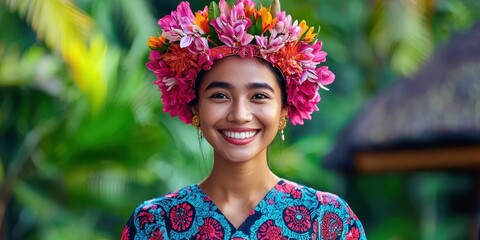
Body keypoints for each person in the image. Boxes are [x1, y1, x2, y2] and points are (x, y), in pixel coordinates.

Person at [121, 0, 366, 239]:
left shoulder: (329, 221)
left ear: (283, 110)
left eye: (258, 96)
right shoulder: (153, 224)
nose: (239, 114)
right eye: (220, 96)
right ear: (196, 108)